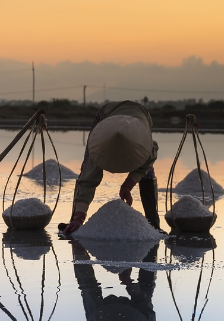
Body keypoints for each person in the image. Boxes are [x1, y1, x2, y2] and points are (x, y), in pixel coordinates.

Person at [61, 100, 161, 235]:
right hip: (106, 115)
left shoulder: (145, 145)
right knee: (87, 168)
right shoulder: (100, 146)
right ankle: (75, 221)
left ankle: (153, 225)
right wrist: (80, 216)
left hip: (140, 116)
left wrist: (128, 184)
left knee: (148, 172)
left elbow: (147, 162)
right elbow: (88, 179)